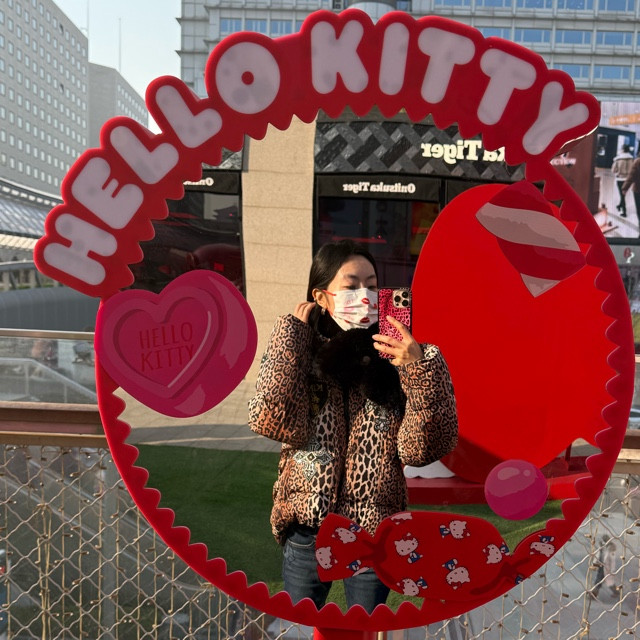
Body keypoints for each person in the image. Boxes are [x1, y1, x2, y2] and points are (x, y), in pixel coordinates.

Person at [248, 239, 458, 612]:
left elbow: (420, 449)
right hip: (308, 530)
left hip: (374, 533)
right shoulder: (302, 350)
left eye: (372, 285)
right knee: (300, 628)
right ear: (321, 296)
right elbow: (271, 419)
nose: (365, 296)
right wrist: (291, 338)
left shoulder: (397, 357)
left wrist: (419, 368)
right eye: (351, 285)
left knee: (366, 630)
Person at [612, 144, 634, 217]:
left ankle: (624, 212)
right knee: (623, 194)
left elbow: (613, 170)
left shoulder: (618, 159)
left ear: (623, 149)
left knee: (622, 195)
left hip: (620, 179)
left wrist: (618, 172)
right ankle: (619, 205)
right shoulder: (632, 159)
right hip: (628, 180)